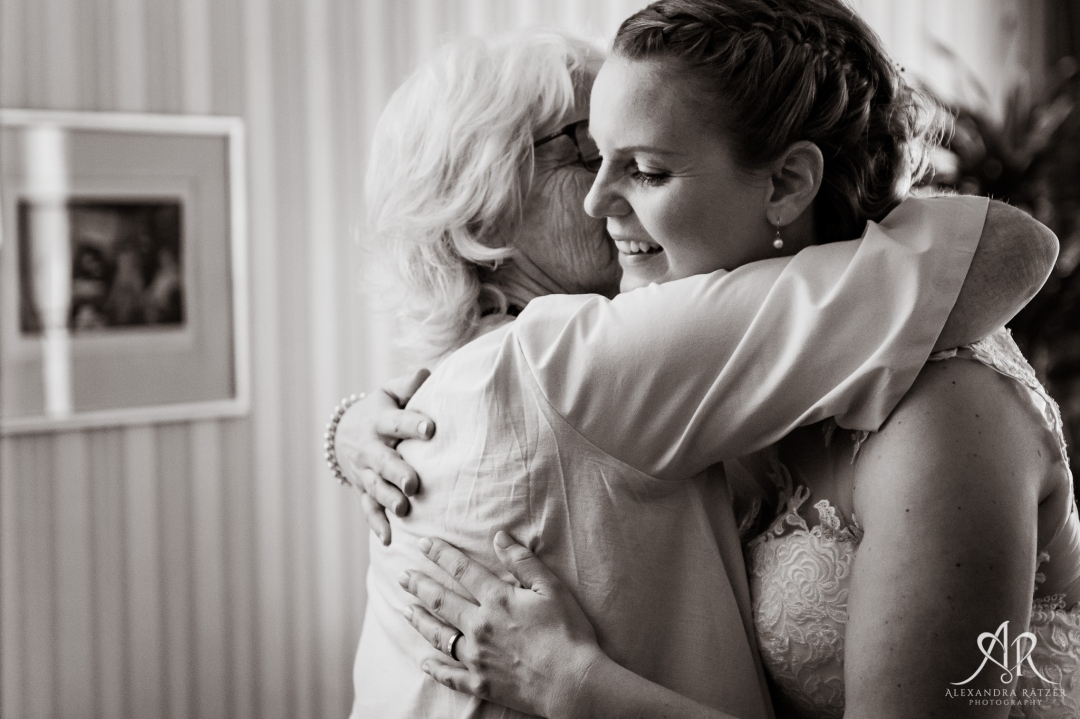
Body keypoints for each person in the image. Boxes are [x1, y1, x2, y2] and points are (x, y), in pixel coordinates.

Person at [354, 2, 1080, 718]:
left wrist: (577, 686)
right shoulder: (620, 369)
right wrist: (349, 426)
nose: (599, 201)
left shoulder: (943, 411)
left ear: (787, 184)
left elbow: (1011, 247)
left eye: (642, 167)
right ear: (482, 205)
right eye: (589, 154)